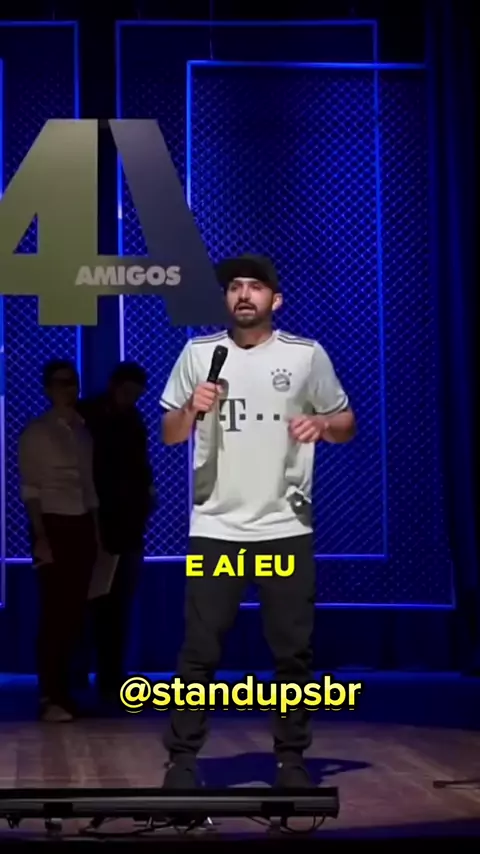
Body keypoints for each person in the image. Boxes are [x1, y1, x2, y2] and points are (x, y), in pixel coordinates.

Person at [159, 253, 356, 789]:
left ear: (276, 299)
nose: (243, 294)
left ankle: (291, 760)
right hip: (216, 529)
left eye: (255, 287)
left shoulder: (305, 355)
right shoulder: (199, 354)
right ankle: (182, 762)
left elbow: (345, 421)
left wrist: (322, 425)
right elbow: (170, 433)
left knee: (292, 653)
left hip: (284, 528)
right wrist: (192, 408)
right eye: (234, 287)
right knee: (199, 651)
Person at [18, 360, 99, 723]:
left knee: (75, 614)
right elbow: (31, 489)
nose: (69, 389)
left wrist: (96, 531)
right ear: (48, 388)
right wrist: (40, 536)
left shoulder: (82, 431)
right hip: (52, 522)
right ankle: (49, 695)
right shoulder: (36, 433)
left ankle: (65, 692)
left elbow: (89, 485)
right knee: (55, 613)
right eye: (61, 383)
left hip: (81, 522)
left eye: (73, 382)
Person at [77, 361, 155, 705]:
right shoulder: (89, 417)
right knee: (89, 602)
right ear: (114, 386)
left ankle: (110, 675)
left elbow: (139, 466)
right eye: (127, 391)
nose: (131, 398)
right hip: (96, 520)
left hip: (127, 523)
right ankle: (80, 673)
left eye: (136, 393)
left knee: (117, 604)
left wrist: (146, 495)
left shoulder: (132, 419)